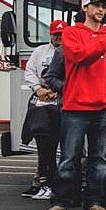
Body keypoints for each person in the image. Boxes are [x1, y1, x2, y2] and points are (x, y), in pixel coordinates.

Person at [45, 0, 106, 210]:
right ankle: (62, 200)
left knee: (99, 158)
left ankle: (93, 200)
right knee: (69, 157)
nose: (100, 10)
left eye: (103, 7)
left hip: (103, 106)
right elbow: (80, 56)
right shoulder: (72, 33)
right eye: (96, 5)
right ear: (85, 7)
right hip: (76, 106)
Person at [21, 19, 66, 200]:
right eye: (56, 35)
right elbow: (30, 72)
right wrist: (38, 89)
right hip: (42, 101)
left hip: (62, 101)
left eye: (62, 35)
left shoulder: (71, 51)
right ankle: (41, 182)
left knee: (68, 145)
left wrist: (59, 91)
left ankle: (64, 183)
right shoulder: (40, 52)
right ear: (50, 35)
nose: (59, 38)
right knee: (44, 144)